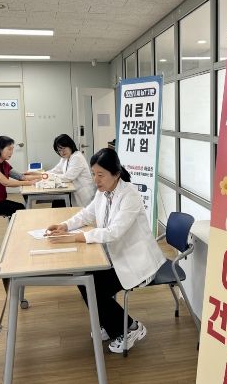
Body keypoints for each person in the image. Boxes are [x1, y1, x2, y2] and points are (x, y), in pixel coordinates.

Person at [45, 148, 165, 353]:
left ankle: (130, 328)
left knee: (94, 286)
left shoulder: (129, 195)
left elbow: (113, 232)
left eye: (100, 175)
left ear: (116, 173)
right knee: (84, 280)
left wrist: (77, 237)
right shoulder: (104, 192)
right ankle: (111, 324)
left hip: (136, 261)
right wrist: (65, 225)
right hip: (114, 257)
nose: (95, 180)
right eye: (93, 174)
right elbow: (87, 214)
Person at [0, 135, 37, 217]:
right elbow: (6, 183)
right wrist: (29, 183)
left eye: (12, 149)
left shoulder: (4, 163)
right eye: (9, 149)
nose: (11, 152)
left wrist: (41, 177)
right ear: (0, 149)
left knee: (19, 207)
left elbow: (21, 177)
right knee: (19, 208)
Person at [45, 134, 95, 207]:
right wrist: (43, 174)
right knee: (56, 202)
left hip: (84, 195)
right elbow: (55, 170)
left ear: (70, 145)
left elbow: (68, 177)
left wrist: (47, 176)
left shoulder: (77, 157)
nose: (62, 152)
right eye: (59, 150)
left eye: (64, 148)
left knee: (57, 203)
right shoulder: (65, 158)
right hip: (73, 193)